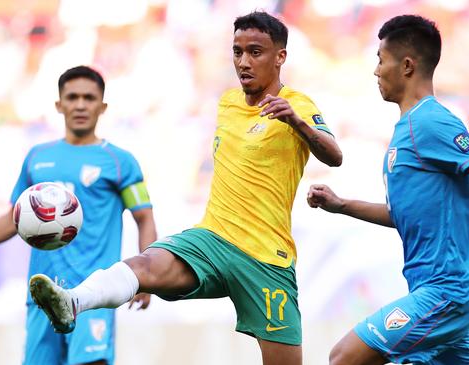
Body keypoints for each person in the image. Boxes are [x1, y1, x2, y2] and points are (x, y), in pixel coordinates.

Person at [28, 11, 342, 365]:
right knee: (145, 265)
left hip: (265, 257)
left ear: (280, 57)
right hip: (212, 239)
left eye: (256, 52)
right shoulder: (227, 104)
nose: (244, 62)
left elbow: (334, 156)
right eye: (237, 52)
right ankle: (73, 302)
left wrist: (298, 123)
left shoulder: (297, 104)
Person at [307, 15, 469, 365]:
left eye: (380, 59)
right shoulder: (405, 131)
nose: (375, 71)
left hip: (446, 292)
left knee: (343, 357)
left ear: (406, 66)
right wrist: (341, 205)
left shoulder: (431, 121)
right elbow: (401, 215)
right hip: (437, 292)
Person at [0, 65, 157, 365]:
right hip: (42, 295)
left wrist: (145, 278)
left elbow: (145, 218)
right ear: (59, 105)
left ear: (103, 105)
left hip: (93, 293)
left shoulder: (120, 162)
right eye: (72, 97)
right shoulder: (37, 157)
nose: (81, 105)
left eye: (89, 97)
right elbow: (15, 217)